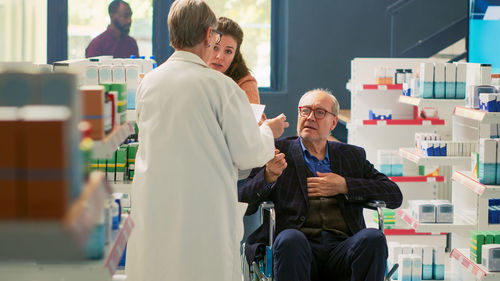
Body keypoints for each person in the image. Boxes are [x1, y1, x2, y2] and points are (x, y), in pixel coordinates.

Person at [125, 1, 289, 281]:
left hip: (155, 205)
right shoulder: (220, 87)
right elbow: (248, 153)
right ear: (207, 36)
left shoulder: (149, 83)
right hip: (203, 212)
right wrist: (267, 132)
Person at [239, 89, 403, 281]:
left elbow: (394, 195)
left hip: (343, 249)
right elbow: (244, 202)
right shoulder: (275, 150)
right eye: (304, 111)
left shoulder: (351, 156)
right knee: (290, 238)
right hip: (297, 249)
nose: (310, 117)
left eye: (319, 112)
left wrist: (345, 185)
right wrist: (268, 176)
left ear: (333, 122)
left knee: (373, 238)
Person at [208, 16, 259, 104]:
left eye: (228, 51)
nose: (220, 57)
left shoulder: (245, 81)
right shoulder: (191, 71)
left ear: (235, 55)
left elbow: (255, 116)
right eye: (215, 48)